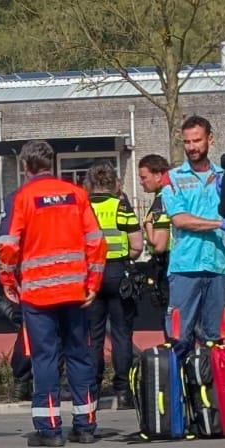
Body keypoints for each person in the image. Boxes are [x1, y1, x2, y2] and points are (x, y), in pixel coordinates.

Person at [0, 140, 106, 445]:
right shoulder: (77, 194)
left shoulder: (21, 198)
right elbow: (96, 241)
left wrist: (7, 279)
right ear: (53, 163)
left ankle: (49, 429)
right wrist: (93, 284)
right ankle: (85, 426)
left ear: (25, 167)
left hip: (38, 293)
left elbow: (9, 245)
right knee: (79, 355)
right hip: (75, 290)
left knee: (44, 358)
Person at [158, 117, 225, 347]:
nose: (191, 147)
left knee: (215, 338)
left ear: (210, 139)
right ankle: (180, 372)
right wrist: (220, 224)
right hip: (185, 266)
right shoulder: (172, 178)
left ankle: (210, 372)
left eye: (197, 140)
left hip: (218, 264)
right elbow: (180, 219)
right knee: (179, 337)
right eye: (187, 142)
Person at [84, 160, 143, 408]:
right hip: (118, 273)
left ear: (89, 183)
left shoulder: (83, 208)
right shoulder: (122, 206)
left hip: (90, 275)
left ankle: (92, 391)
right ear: (114, 183)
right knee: (121, 335)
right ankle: (123, 390)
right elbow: (137, 245)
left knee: (93, 336)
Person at [138, 153, 172, 325]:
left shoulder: (162, 200)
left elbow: (159, 244)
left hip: (167, 263)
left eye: (144, 177)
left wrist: (147, 225)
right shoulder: (170, 194)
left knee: (170, 314)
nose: (141, 182)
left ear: (158, 175)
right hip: (174, 262)